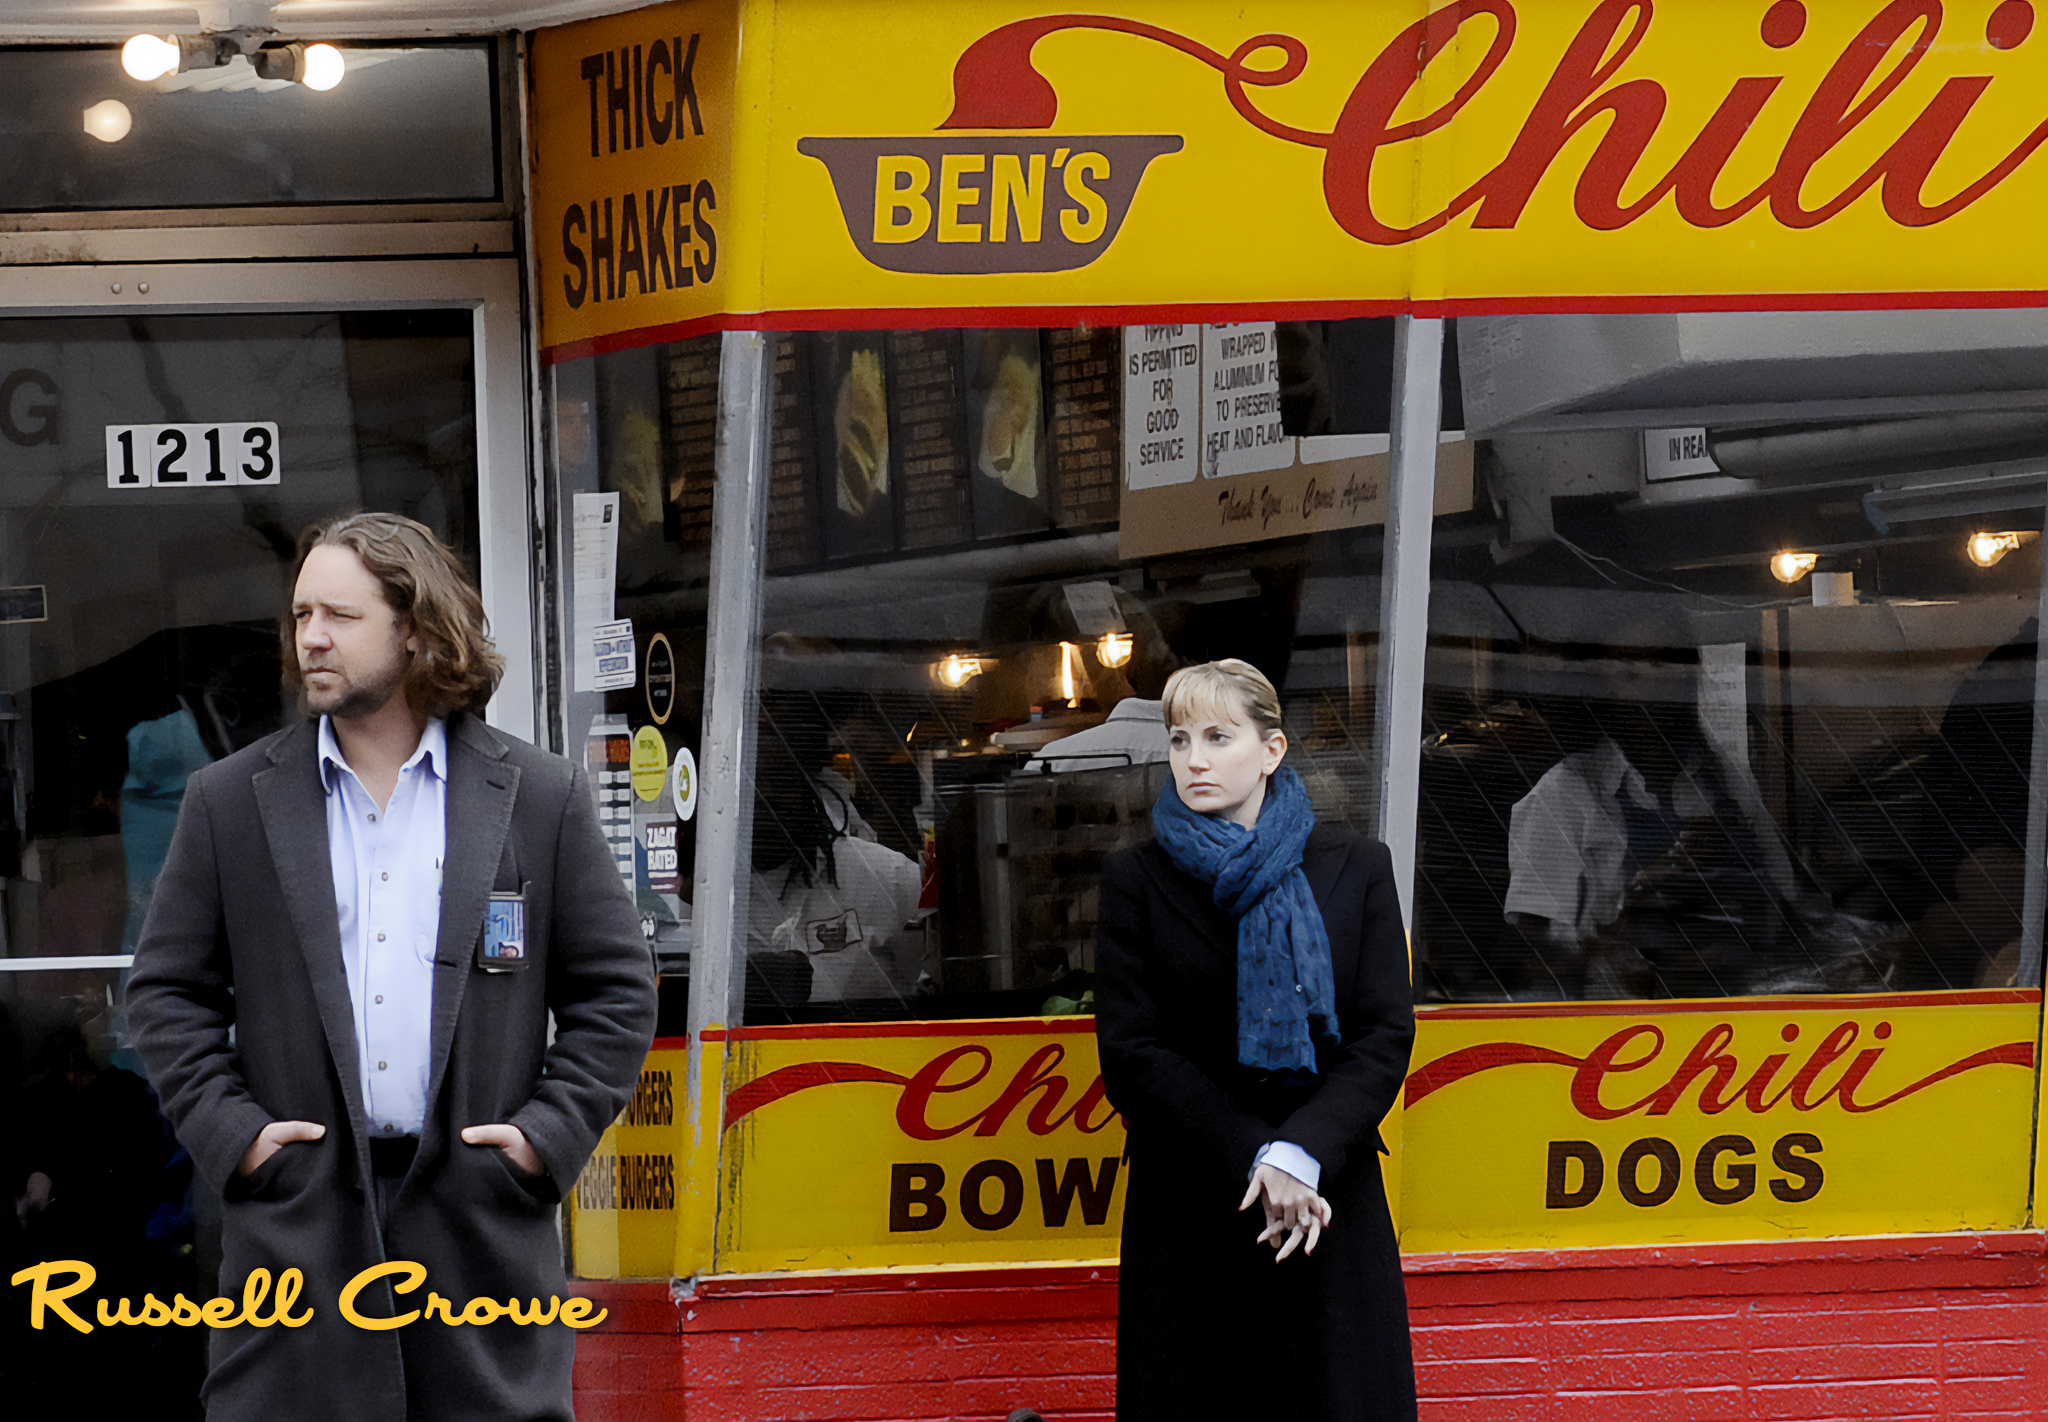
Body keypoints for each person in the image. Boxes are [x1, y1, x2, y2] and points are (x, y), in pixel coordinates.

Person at [126, 513, 656, 1422]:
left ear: (414, 628)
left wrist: (543, 1140)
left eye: (339, 615)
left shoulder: (540, 796)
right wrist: (237, 1139)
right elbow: (166, 993)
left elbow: (615, 991)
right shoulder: (229, 802)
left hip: (479, 1231)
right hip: (298, 1234)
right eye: (301, 615)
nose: (311, 638)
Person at [1094, 658, 1416, 1420]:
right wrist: (1259, 1156)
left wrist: (1301, 1152)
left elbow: (1383, 1033)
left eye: (1218, 737)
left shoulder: (1357, 866)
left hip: (1326, 1197)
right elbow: (1133, 1051)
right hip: (1192, 1205)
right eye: (1180, 740)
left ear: (1271, 750)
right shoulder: (1136, 879)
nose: (1194, 760)